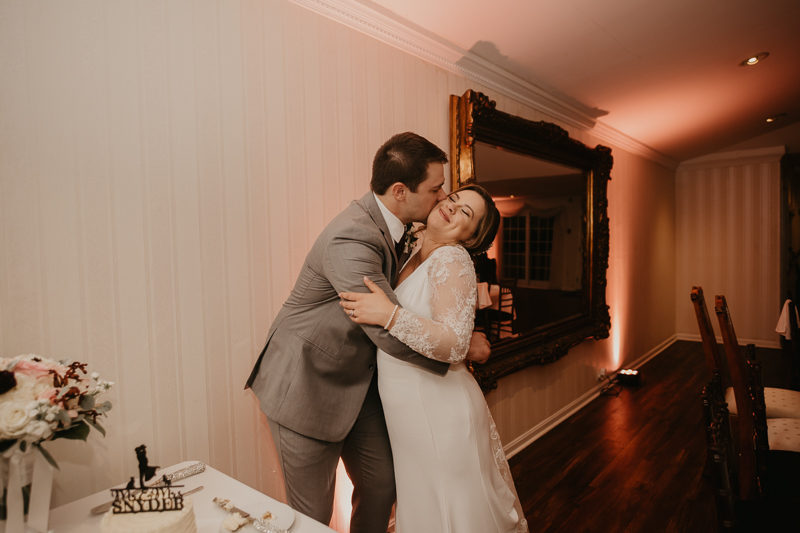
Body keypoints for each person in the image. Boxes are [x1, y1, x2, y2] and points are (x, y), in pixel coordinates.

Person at [244, 132, 491, 533]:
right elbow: (383, 329)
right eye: (435, 188)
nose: (443, 196)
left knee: (381, 485)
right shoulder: (353, 236)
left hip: (360, 385)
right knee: (313, 516)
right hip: (307, 386)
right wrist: (457, 352)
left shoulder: (408, 232)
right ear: (400, 191)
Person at [339, 184, 529, 533]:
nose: (452, 207)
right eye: (453, 199)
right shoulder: (412, 251)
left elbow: (455, 345)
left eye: (465, 213)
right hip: (408, 408)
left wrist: (388, 314)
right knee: (426, 502)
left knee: (449, 510)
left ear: (472, 238)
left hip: (437, 407)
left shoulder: (452, 259)